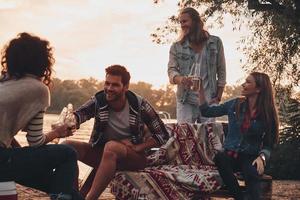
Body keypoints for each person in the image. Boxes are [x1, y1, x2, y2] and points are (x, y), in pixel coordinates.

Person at [63, 65, 169, 200]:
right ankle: (74, 195)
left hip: (134, 158)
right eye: (107, 83)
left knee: (111, 146)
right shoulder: (99, 100)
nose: (109, 88)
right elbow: (80, 114)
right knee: (67, 147)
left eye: (115, 85)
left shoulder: (139, 105)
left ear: (125, 87)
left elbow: (163, 135)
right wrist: (69, 122)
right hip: (104, 155)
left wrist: (138, 147)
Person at [0, 32, 83, 200]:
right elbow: (35, 141)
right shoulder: (38, 89)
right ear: (42, 61)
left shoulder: (4, 83)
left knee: (52, 182)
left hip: (4, 158)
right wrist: (58, 133)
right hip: (2, 160)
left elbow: (5, 138)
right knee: (67, 153)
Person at [198, 72, 279, 200]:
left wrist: (262, 158)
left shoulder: (267, 114)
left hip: (250, 157)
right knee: (220, 158)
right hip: (230, 156)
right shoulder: (235, 104)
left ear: (258, 89)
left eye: (248, 82)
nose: (243, 84)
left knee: (252, 174)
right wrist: (200, 90)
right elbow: (207, 111)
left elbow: (269, 144)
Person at [168, 7, 226, 123]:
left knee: (207, 137)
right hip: (186, 100)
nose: (182, 25)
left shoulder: (215, 43)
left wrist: (218, 96)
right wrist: (182, 79)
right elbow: (171, 71)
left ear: (195, 22)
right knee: (185, 136)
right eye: (180, 22)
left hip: (209, 100)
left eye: (185, 21)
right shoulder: (176, 46)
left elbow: (222, 70)